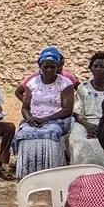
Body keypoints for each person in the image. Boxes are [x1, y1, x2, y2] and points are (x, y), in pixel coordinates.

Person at [12, 47, 74, 179]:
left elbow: (67, 110)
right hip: (34, 120)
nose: (49, 70)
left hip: (56, 120)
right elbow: (25, 108)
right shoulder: (33, 83)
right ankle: (28, 173)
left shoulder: (65, 83)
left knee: (50, 133)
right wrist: (30, 119)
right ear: (40, 66)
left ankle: (50, 172)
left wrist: (46, 119)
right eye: (46, 67)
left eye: (53, 67)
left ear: (58, 67)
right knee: (23, 133)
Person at [69, 52, 104, 167]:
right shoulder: (83, 87)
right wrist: (88, 126)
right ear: (91, 68)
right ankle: (81, 173)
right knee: (78, 140)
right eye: (95, 66)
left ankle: (102, 174)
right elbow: (77, 113)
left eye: (102, 66)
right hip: (85, 122)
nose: (98, 69)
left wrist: (101, 129)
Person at [14, 50, 79, 102]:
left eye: (56, 67)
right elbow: (18, 92)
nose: (50, 70)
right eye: (47, 67)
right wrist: (30, 106)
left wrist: (75, 105)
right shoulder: (34, 79)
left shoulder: (67, 77)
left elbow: (81, 89)